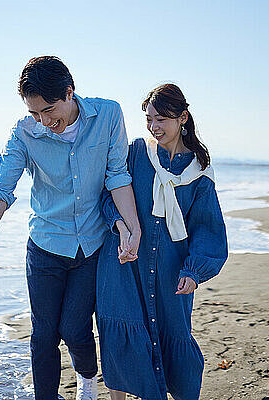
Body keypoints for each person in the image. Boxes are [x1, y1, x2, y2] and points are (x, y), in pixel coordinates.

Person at [0, 56, 141, 400]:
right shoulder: (24, 133)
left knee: (74, 328)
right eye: (34, 113)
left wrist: (132, 229)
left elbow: (117, 175)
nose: (43, 121)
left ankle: (87, 382)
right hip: (45, 246)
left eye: (48, 110)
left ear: (69, 93)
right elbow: (1, 189)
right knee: (43, 334)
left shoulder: (108, 115)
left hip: (92, 245)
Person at [96, 84, 228, 400]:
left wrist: (194, 271)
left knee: (175, 336)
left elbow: (207, 230)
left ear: (183, 118)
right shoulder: (136, 153)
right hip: (124, 263)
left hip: (172, 271)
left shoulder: (199, 173)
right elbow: (106, 194)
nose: (154, 127)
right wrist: (122, 227)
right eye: (149, 119)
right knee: (122, 333)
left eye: (162, 119)